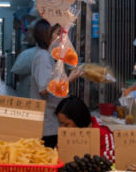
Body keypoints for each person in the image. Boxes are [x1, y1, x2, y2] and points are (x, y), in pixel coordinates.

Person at [29, 19, 62, 149]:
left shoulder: (46, 55)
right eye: (57, 34)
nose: (60, 38)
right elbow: (44, 89)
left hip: (49, 120)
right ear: (47, 35)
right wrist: (69, 79)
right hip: (47, 123)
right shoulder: (43, 57)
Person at [55, 96, 115, 161]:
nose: (62, 128)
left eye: (66, 124)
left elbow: (109, 163)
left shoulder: (104, 134)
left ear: (78, 119)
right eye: (60, 124)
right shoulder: (64, 135)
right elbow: (56, 156)